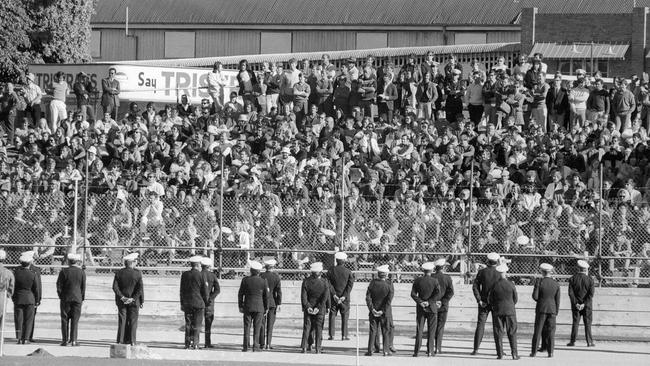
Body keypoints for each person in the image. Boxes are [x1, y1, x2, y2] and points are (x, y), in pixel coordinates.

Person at [471, 252, 501, 355]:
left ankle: (476, 349)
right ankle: (499, 351)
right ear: (497, 261)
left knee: (480, 325)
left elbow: (475, 286)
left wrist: (479, 299)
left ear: (488, 260)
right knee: (497, 326)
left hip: (483, 301)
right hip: (496, 303)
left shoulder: (482, 272)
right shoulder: (499, 273)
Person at [488, 263, 520, 360]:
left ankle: (500, 354)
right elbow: (515, 299)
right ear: (506, 272)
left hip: (498, 310)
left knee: (498, 332)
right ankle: (514, 354)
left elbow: (490, 299)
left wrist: (495, 306)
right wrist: (510, 305)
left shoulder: (494, 285)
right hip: (510, 310)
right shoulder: (511, 284)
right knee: (512, 332)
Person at [112, 252, 144, 345]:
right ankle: (132, 340)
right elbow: (140, 289)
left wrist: (122, 297)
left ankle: (121, 340)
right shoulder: (137, 273)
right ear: (133, 262)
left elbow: (115, 287)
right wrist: (134, 299)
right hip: (134, 301)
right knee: (133, 321)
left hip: (122, 301)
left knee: (122, 320)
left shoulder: (119, 273)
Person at [530, 263, 560, 358]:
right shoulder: (556, 283)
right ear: (550, 272)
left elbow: (535, 296)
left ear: (542, 272)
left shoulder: (539, 282)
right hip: (552, 309)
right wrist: (556, 311)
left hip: (541, 308)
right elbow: (557, 300)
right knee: (551, 331)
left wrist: (541, 301)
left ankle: (534, 351)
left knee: (538, 330)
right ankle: (550, 352)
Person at [411, 261, 440, 357]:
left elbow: (413, 294)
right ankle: (430, 351)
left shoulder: (418, 280)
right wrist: (429, 301)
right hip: (431, 307)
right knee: (431, 330)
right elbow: (437, 294)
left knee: (419, 329)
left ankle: (416, 351)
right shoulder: (435, 281)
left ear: (423, 270)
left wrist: (420, 302)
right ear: (431, 270)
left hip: (421, 307)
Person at [238, 260, 269, 352]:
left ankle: (245, 346)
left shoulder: (245, 280)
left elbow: (240, 294)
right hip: (259, 307)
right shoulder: (263, 281)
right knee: (257, 327)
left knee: (247, 327)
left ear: (251, 270)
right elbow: (266, 297)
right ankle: (256, 346)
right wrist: (266, 307)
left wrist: (240, 305)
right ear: (259, 271)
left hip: (247, 306)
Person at [56, 253, 86, 347]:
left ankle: (65, 340)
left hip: (66, 297)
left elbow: (59, 286)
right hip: (77, 298)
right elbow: (83, 287)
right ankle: (73, 340)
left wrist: (61, 296)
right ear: (77, 261)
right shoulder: (81, 272)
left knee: (64, 319)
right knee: (75, 320)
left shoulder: (64, 271)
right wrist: (81, 297)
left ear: (68, 261)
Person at [300, 262, 330, 354]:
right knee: (319, 328)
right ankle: (318, 348)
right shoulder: (325, 282)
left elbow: (303, 296)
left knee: (307, 327)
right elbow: (325, 297)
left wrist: (307, 306)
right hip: (320, 308)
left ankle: (305, 347)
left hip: (309, 307)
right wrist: (320, 307)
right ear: (320, 271)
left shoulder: (306, 281)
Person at [180, 255, 208, 349]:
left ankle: (187, 344)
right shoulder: (201, 275)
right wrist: (205, 301)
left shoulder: (184, 274)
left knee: (188, 324)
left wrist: (182, 303)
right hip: (198, 303)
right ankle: (195, 343)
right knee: (197, 324)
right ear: (198, 264)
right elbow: (204, 291)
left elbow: (182, 291)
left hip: (187, 302)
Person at [365, 264, 393, 357]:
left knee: (373, 330)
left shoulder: (373, 283)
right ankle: (385, 350)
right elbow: (389, 300)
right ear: (386, 274)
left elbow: (368, 297)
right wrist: (383, 310)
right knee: (385, 330)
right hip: (385, 311)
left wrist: (372, 308)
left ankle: (370, 350)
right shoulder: (389, 284)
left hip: (374, 310)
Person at [13, 251, 39, 344]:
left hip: (18, 298)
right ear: (29, 263)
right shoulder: (33, 274)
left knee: (19, 319)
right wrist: (37, 300)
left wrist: (14, 298)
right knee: (28, 319)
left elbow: (13, 287)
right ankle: (26, 339)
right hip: (30, 298)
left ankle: (19, 338)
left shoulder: (15, 273)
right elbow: (36, 288)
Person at [567, 259, 595, 347]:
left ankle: (572, 341)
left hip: (576, 305)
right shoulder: (590, 280)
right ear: (586, 269)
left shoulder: (572, 279)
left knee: (575, 323)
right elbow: (591, 294)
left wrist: (576, 303)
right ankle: (589, 341)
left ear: (578, 268)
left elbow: (571, 293)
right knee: (588, 323)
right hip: (587, 305)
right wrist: (584, 303)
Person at [327, 251, 354, 341]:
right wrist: (344, 296)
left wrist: (334, 294)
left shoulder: (331, 270)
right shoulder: (348, 272)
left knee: (332, 315)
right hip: (344, 298)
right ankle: (344, 335)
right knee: (345, 315)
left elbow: (329, 284)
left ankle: (332, 335)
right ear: (344, 260)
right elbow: (350, 286)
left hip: (333, 297)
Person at [432, 258, 454, 354]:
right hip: (443, 305)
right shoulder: (447, 278)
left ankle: (430, 346)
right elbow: (451, 292)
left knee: (432, 326)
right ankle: (438, 347)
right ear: (443, 267)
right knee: (440, 326)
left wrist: (434, 301)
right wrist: (442, 301)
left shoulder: (431, 277)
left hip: (432, 304)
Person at [260, 258, 281, 350]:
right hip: (272, 302)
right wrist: (279, 303)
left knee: (262, 323)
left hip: (262, 302)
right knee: (270, 324)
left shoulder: (261, 275)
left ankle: (261, 343)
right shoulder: (276, 277)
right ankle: (268, 343)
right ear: (273, 267)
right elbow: (278, 291)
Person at [201, 257, 220, 348]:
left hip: (199, 300)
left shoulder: (198, 274)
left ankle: (193, 341)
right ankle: (207, 342)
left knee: (196, 322)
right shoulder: (212, 276)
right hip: (209, 302)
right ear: (209, 266)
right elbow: (217, 290)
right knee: (208, 323)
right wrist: (211, 298)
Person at [27, 251, 42, 343]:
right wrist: (38, 298)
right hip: (32, 297)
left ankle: (22, 336)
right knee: (31, 318)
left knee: (22, 317)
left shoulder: (18, 269)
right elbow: (38, 286)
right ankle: (28, 336)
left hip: (23, 297)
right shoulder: (36, 270)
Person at [0, 249, 15, 328]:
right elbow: (11, 286)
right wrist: (8, 295)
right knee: (2, 318)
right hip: (2, 295)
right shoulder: (8, 272)